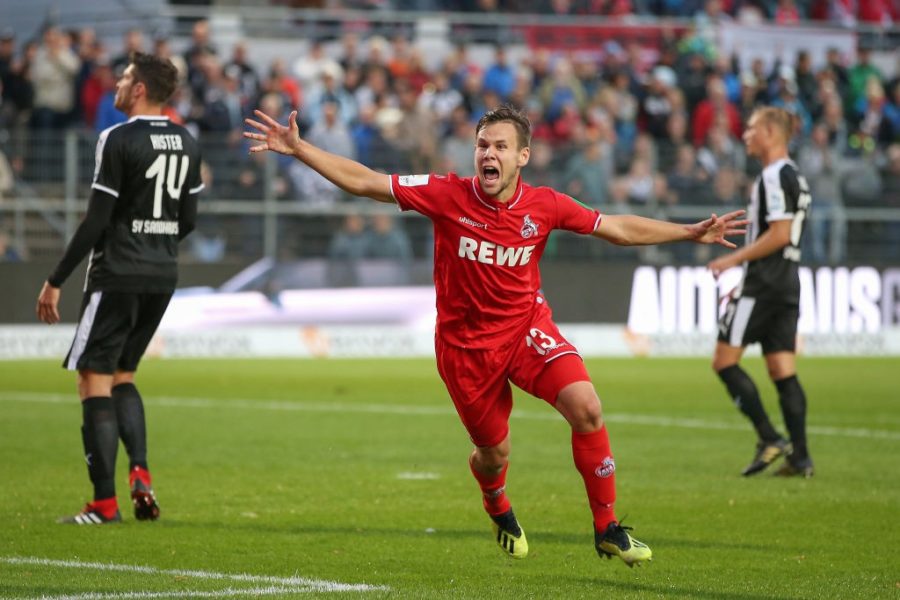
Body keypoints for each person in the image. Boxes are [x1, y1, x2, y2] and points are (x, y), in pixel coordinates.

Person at [244, 103, 745, 566]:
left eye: (501, 146)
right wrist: (301, 149)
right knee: (493, 453)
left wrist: (686, 232)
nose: (489, 153)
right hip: (466, 352)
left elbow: (615, 227)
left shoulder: (545, 206)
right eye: (483, 144)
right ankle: (496, 501)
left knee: (587, 407)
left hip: (528, 330)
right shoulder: (446, 194)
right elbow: (367, 182)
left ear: (522, 156)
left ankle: (607, 526)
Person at [36, 52, 204, 524]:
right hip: (162, 274)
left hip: (117, 273)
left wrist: (55, 279)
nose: (118, 83)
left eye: (125, 77)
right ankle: (141, 474)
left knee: (93, 379)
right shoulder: (189, 142)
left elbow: (97, 220)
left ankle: (103, 503)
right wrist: (156, 243)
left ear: (139, 90)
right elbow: (188, 220)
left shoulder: (117, 138)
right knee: (124, 374)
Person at [708, 106, 814, 479]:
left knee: (723, 360)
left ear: (770, 132)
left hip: (764, 282)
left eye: (752, 128)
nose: (746, 134)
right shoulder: (796, 176)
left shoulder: (772, 176)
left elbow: (780, 233)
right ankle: (800, 458)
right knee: (782, 368)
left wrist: (732, 261)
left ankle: (769, 437)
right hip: (788, 280)